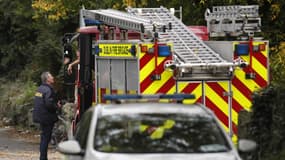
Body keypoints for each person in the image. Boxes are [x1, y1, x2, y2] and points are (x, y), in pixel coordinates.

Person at [33, 71, 62, 160]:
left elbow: (39, 102)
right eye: (51, 76)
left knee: (43, 138)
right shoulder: (48, 90)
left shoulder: (39, 89)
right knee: (46, 138)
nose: (53, 77)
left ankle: (43, 157)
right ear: (47, 79)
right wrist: (57, 106)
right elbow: (49, 103)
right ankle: (43, 158)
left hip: (40, 117)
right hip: (47, 117)